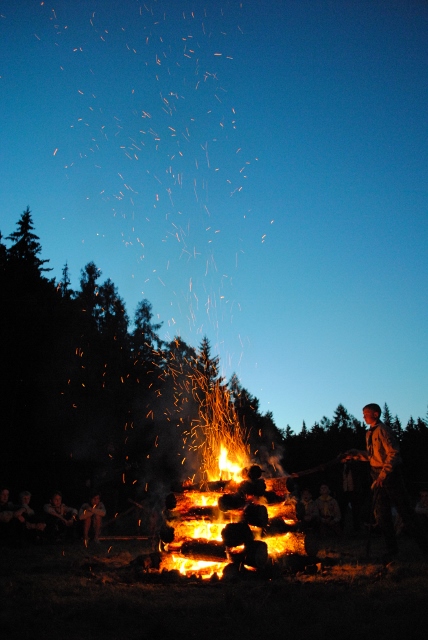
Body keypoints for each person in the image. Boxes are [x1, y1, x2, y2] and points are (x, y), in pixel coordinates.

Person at [344, 403, 428, 561]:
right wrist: (355, 455)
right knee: (382, 514)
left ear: (375, 414)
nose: (363, 417)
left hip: (390, 475)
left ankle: (424, 547)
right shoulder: (369, 433)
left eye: (366, 414)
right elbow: (373, 456)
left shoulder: (384, 430)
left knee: (405, 512)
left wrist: (383, 475)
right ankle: (392, 549)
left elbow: (393, 453)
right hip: (377, 474)